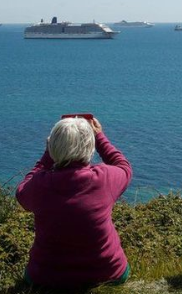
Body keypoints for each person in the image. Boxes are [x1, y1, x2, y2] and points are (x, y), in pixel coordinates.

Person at [15, 116, 132, 288]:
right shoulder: (103, 178)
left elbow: (21, 192)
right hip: (108, 273)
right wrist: (99, 137)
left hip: (45, 277)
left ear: (51, 146)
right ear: (90, 147)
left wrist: (48, 155)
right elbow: (124, 167)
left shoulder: (40, 185)